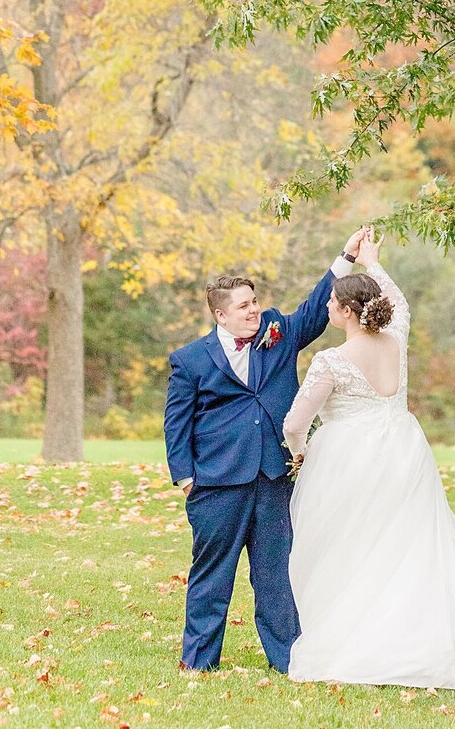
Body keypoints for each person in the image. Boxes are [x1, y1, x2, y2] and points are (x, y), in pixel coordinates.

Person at [283, 228, 455, 688]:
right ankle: (410, 646)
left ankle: (358, 646)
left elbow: (296, 422)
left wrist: (300, 453)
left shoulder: (330, 361)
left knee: (349, 549)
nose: (327, 308)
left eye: (332, 303)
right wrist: (372, 260)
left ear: (347, 312)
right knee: (404, 545)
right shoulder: (396, 337)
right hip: (404, 452)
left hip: (348, 459)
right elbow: (401, 304)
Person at [163, 227, 366, 673]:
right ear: (221, 315)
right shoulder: (190, 360)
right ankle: (198, 662)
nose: (253, 310)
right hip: (216, 482)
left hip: (274, 477)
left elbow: (314, 308)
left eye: (254, 302)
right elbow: (176, 422)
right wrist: (186, 477)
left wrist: (346, 256)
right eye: (243, 306)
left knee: (276, 575)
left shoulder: (278, 333)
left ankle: (288, 660)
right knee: (212, 575)